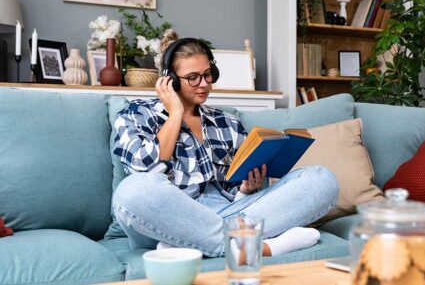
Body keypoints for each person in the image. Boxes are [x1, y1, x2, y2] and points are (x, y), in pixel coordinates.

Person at [111, 29, 339, 258]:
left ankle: (196, 245)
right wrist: (175, 114)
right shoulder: (135, 113)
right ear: (170, 81)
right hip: (169, 220)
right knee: (131, 192)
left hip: (229, 210)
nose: (204, 84)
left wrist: (245, 190)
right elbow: (148, 171)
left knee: (321, 179)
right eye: (193, 78)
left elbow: (238, 194)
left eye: (208, 74)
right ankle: (259, 245)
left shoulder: (227, 123)